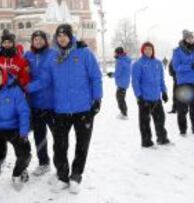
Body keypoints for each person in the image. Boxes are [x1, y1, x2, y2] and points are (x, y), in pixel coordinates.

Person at [48, 24, 103, 194]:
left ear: (70, 36)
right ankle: (63, 177)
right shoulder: (53, 56)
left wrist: (97, 99)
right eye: (59, 35)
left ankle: (76, 176)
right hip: (61, 110)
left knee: (82, 145)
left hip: (83, 109)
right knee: (59, 146)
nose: (62, 38)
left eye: (65, 35)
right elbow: (47, 82)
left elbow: (96, 76)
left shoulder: (84, 53)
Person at [0, 30, 31, 171]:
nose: (7, 44)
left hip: (15, 101)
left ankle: (22, 165)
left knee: (17, 133)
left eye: (9, 42)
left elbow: (26, 78)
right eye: (4, 42)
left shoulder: (20, 59)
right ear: (1, 44)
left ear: (13, 43)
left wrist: (19, 84)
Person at [24, 30, 56, 176]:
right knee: (39, 137)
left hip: (52, 105)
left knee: (58, 137)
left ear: (45, 40)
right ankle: (43, 163)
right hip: (35, 105)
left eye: (40, 39)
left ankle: (61, 165)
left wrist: (28, 87)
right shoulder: (28, 56)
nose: (37, 42)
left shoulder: (52, 55)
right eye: (35, 39)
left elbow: (47, 78)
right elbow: (22, 72)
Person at [132, 42, 171, 148]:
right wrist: (139, 96)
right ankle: (146, 142)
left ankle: (162, 138)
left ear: (153, 50)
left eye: (150, 49)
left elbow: (161, 80)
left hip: (156, 98)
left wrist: (164, 92)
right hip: (144, 98)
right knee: (145, 122)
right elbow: (135, 82)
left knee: (160, 119)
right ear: (142, 51)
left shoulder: (158, 63)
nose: (148, 51)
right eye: (146, 49)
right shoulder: (138, 64)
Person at [172, 30, 194, 136]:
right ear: (184, 39)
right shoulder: (177, 51)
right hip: (183, 83)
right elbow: (176, 67)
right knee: (182, 109)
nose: (191, 39)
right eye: (188, 38)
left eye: (192, 37)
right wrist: (190, 67)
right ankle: (183, 129)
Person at [113, 47, 131, 120]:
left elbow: (118, 73)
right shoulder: (126, 59)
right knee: (121, 98)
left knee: (120, 98)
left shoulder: (120, 61)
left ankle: (124, 114)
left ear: (118, 53)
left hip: (121, 83)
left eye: (115, 53)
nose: (114, 54)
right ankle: (123, 112)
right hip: (125, 82)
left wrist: (112, 75)